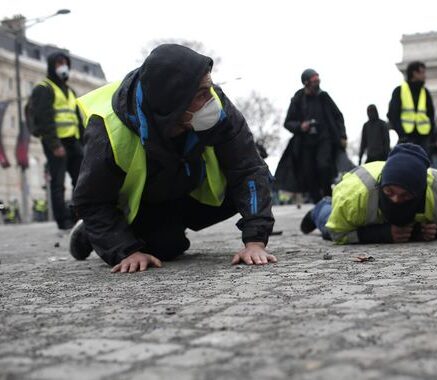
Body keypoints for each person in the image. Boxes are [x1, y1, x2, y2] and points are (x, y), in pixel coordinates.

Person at [69, 44, 276, 273]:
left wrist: (255, 241)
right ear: (173, 105)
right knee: (165, 248)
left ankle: (156, 230)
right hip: (143, 202)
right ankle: (94, 232)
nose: (212, 100)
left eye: (209, 88)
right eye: (201, 94)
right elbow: (91, 200)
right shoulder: (108, 130)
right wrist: (125, 251)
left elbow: (248, 168)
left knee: (260, 179)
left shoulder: (216, 106)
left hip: (186, 188)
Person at [300, 143, 437, 244]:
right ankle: (319, 208)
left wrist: (435, 231)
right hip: (350, 198)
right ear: (381, 184)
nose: (396, 200)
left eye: (405, 196)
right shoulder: (353, 197)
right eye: (389, 192)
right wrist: (381, 234)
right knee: (328, 225)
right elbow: (337, 232)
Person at [29, 52, 84, 231]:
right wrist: (54, 144)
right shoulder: (43, 88)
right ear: (52, 65)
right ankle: (63, 221)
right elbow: (44, 118)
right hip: (56, 142)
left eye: (65, 63)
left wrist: (85, 142)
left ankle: (79, 215)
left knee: (82, 179)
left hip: (73, 141)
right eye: (59, 63)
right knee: (58, 183)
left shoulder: (70, 91)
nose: (63, 66)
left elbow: (77, 118)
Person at [275, 69, 347, 203]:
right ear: (306, 83)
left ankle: (328, 197)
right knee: (308, 174)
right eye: (314, 80)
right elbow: (288, 122)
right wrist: (300, 126)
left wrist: (342, 136)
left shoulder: (324, 97)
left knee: (323, 166)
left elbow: (338, 116)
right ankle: (318, 203)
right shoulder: (298, 99)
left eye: (318, 79)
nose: (317, 82)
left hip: (324, 139)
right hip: (305, 143)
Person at [387, 61, 436, 153]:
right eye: (422, 72)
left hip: (423, 137)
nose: (425, 76)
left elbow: (431, 114)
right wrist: (401, 134)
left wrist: (430, 134)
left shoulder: (425, 92)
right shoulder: (399, 91)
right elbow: (392, 114)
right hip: (406, 137)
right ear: (414, 73)